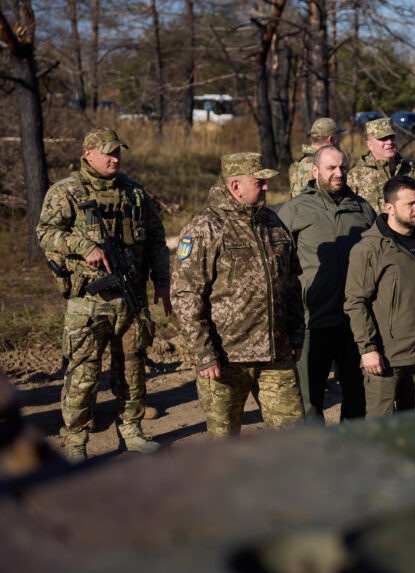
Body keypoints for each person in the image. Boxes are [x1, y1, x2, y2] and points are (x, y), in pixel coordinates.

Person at [37, 127, 169, 462]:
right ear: (88, 154)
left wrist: (162, 282)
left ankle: (131, 430)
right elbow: (46, 232)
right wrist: (83, 246)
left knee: (133, 368)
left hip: (131, 297)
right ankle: (77, 440)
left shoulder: (134, 192)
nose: (115, 158)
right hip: (88, 301)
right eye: (108, 152)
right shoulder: (66, 191)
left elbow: (155, 238)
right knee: (83, 372)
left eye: (118, 152)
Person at [170, 153, 304, 437]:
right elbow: (185, 295)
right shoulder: (205, 228)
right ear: (235, 186)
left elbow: (291, 284)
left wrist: (296, 334)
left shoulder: (273, 223)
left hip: (276, 355)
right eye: (260, 182)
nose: (267, 188)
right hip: (226, 359)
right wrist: (204, 353)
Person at [278, 146, 376, 424]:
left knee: (358, 396)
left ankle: (351, 454)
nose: (338, 173)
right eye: (331, 168)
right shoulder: (295, 210)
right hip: (312, 322)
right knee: (309, 402)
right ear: (315, 171)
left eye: (343, 167)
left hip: (355, 322)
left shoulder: (362, 208)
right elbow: (279, 265)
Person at [344, 175, 415, 416]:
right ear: (389, 208)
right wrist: (367, 348)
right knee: (382, 432)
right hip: (385, 359)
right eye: (410, 204)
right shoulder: (369, 249)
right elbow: (356, 302)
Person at [347, 118, 415, 214]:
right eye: (383, 139)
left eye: (392, 137)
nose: (389, 142)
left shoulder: (411, 170)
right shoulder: (355, 176)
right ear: (369, 145)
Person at [289, 117, 346, 197]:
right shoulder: (319, 166)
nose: (340, 141)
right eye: (339, 137)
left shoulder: (299, 163)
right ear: (332, 139)